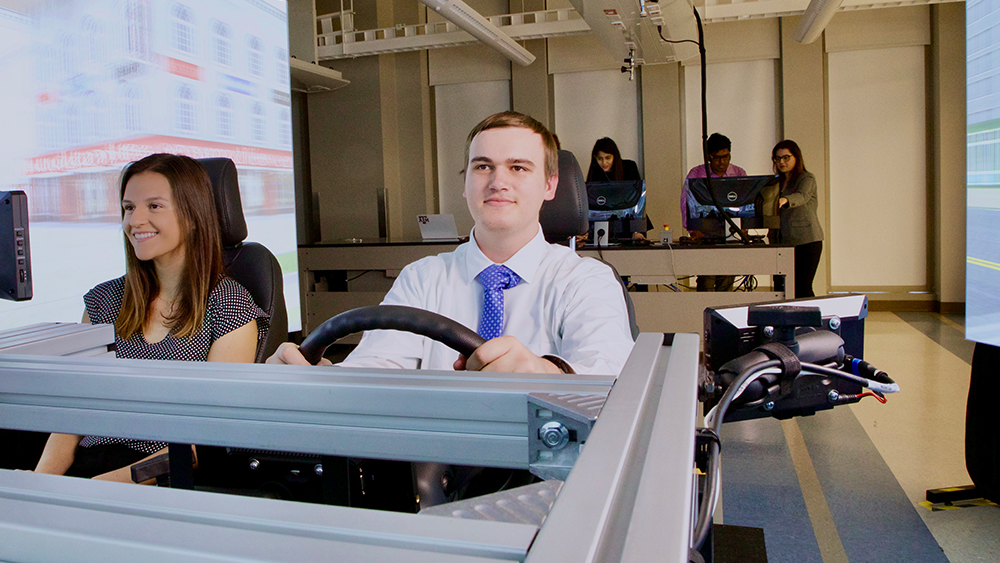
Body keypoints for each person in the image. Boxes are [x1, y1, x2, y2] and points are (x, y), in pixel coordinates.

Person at [269, 112, 634, 376]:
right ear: (465, 185)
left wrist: (547, 374)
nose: (497, 182)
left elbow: (609, 376)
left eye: (518, 168)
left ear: (550, 186)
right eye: (482, 167)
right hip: (432, 471)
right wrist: (317, 381)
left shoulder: (587, 280)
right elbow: (377, 369)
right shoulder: (422, 277)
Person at [32, 153, 268, 483]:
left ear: (193, 215)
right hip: (87, 467)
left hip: (160, 474)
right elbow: (73, 412)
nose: (134, 220)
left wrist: (108, 485)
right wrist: (40, 483)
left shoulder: (229, 306)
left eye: (153, 206)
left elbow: (209, 438)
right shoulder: (103, 301)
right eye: (129, 208)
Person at [681, 133, 746, 291]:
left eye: (726, 157)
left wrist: (743, 227)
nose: (722, 162)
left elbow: (746, 204)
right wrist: (692, 229)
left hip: (731, 232)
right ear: (708, 157)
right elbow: (685, 203)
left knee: (727, 279)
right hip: (705, 233)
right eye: (717, 158)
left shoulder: (739, 174)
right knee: (706, 280)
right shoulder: (696, 174)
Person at [770, 140, 823, 298]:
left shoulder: (807, 178)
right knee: (781, 288)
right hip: (780, 242)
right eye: (777, 158)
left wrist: (784, 200)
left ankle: (810, 322)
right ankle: (785, 322)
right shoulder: (774, 182)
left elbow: (802, 196)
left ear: (796, 157)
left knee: (802, 287)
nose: (781, 162)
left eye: (786, 157)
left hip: (806, 242)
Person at [584, 137, 649, 243]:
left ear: (615, 156)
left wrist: (636, 230)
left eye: (608, 158)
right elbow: (590, 205)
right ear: (595, 158)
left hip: (630, 223)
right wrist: (586, 231)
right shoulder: (595, 173)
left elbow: (638, 198)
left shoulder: (629, 167)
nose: (604, 162)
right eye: (600, 158)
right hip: (603, 225)